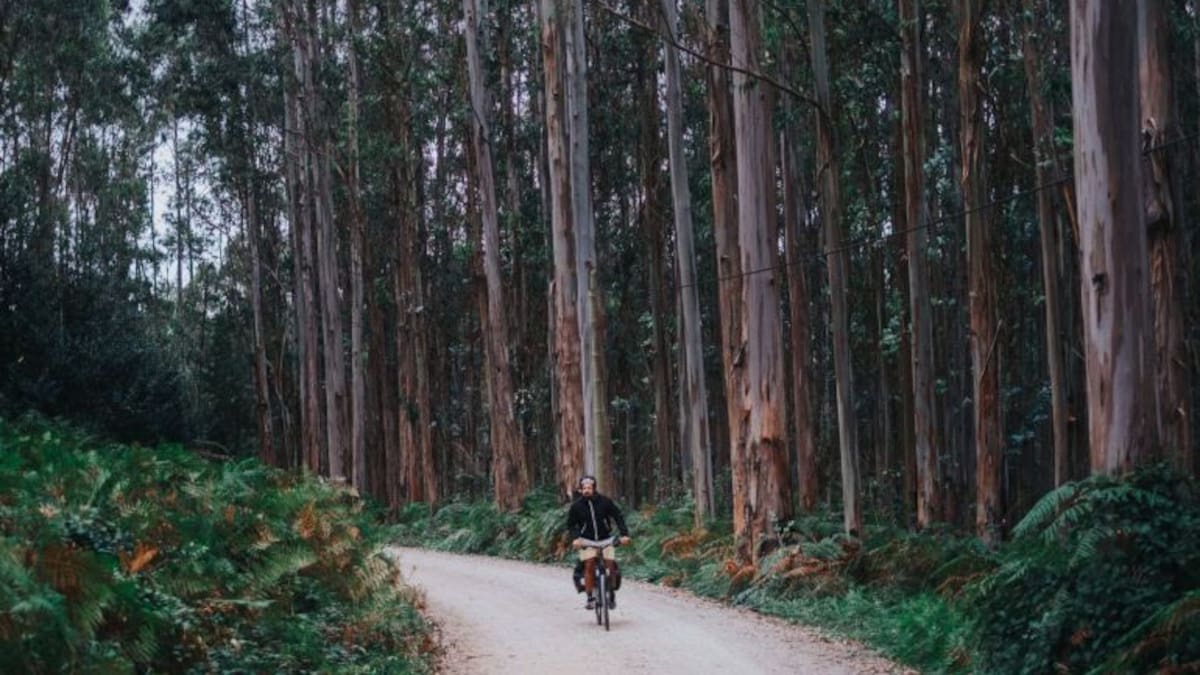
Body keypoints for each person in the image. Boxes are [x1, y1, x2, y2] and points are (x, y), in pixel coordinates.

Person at [567, 475, 631, 610]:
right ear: (581, 489)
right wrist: (576, 538)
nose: (587, 490)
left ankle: (611, 592)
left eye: (589, 488)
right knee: (589, 564)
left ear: (594, 488)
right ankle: (590, 597)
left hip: (605, 539)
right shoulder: (576, 506)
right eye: (584, 488)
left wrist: (624, 534)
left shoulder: (605, 502)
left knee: (610, 564)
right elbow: (571, 525)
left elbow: (618, 517)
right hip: (587, 540)